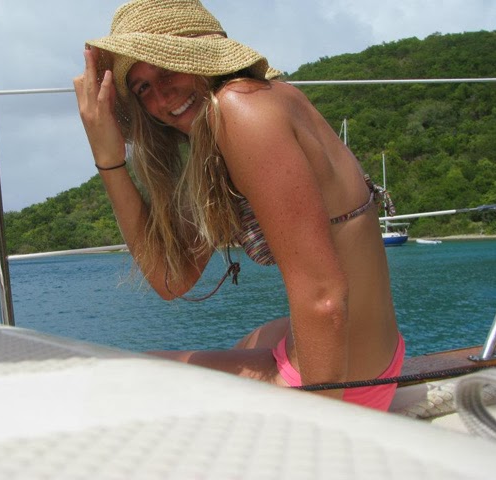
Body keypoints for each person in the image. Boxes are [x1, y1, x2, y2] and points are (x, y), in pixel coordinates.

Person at [73, 0, 404, 410]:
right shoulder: (244, 114)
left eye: (167, 69)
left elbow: (323, 296)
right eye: (142, 88)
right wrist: (109, 159)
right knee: (248, 344)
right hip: (375, 354)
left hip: (349, 381)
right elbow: (171, 278)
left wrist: (321, 426)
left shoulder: (241, 111)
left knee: (131, 375)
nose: (160, 96)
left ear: (202, 56)